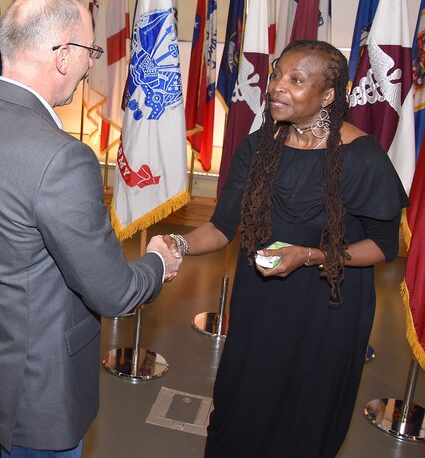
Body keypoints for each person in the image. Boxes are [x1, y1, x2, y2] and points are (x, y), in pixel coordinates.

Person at [0, 0, 181, 457]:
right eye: (89, 50)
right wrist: (157, 262)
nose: (90, 64)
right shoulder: (63, 159)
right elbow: (114, 292)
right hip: (39, 388)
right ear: (63, 55)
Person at [162, 40, 408, 458]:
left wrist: (310, 256)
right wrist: (177, 242)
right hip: (260, 303)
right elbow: (222, 228)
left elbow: (384, 246)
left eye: (296, 80)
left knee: (301, 421)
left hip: (327, 313)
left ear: (328, 96)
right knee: (240, 409)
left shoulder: (363, 158)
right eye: (277, 75)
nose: (277, 87)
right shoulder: (258, 148)